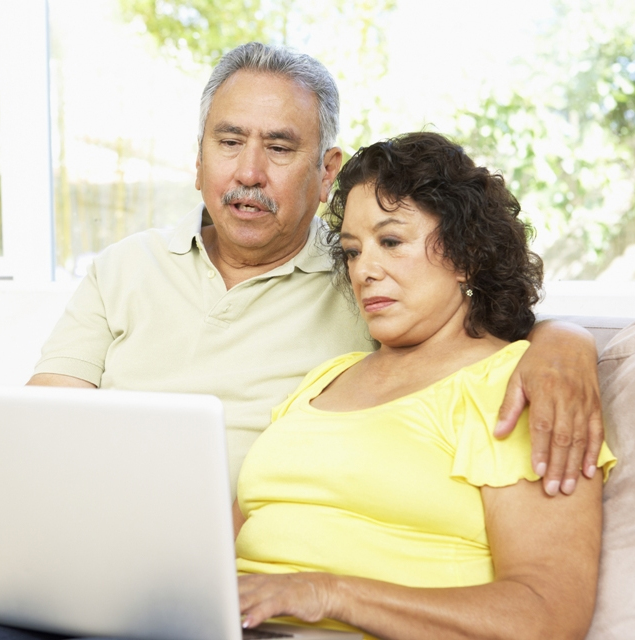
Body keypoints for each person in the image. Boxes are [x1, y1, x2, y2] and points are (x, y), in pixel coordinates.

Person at [28, 42, 602, 500]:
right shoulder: (124, 267)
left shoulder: (362, 276)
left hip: (248, 563)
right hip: (96, 541)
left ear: (327, 171)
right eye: (229, 141)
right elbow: (41, 429)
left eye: (279, 148)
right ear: (198, 157)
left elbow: (479, 324)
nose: (248, 172)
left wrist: (563, 343)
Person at [234, 132, 616, 640]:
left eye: (391, 241)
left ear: (466, 255)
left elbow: (545, 616)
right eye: (352, 251)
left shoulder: (522, 386)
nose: (365, 270)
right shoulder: (325, 379)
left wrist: (326, 593)